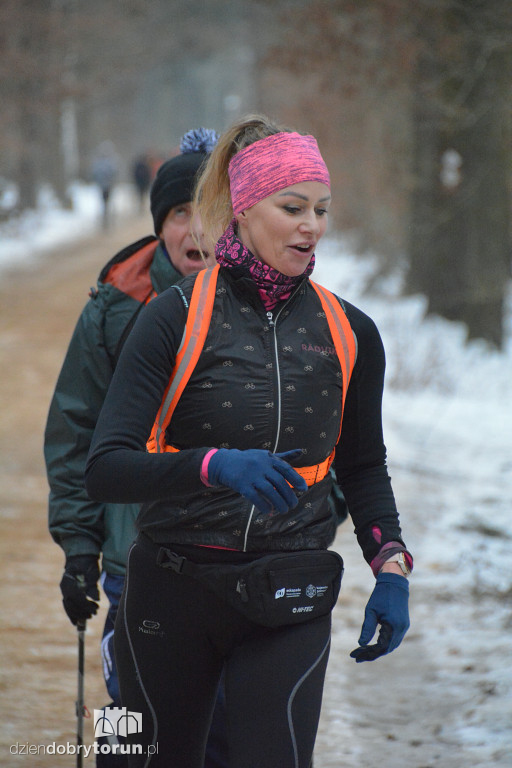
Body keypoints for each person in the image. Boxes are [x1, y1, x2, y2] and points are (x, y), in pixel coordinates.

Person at [84, 114, 413, 768]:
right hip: (172, 590)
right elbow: (107, 468)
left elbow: (365, 467)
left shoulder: (351, 332)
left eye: (321, 209)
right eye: (292, 207)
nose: (311, 225)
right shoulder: (172, 318)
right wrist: (211, 467)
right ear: (243, 209)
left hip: (287, 592)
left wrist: (392, 567)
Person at [44, 128, 229, 768]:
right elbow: (75, 435)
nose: (197, 231)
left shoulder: (271, 307)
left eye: (214, 211)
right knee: (132, 733)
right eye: (182, 213)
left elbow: (325, 424)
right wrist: (78, 549)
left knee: (219, 734)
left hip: (238, 565)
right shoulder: (113, 310)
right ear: (160, 223)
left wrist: (319, 516)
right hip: (134, 565)